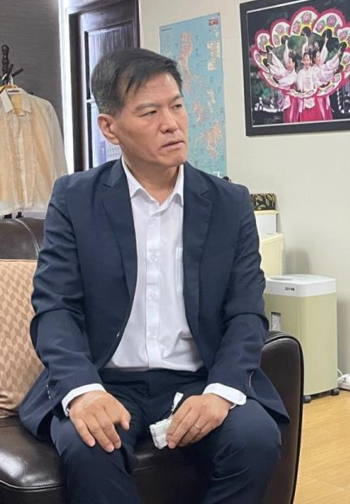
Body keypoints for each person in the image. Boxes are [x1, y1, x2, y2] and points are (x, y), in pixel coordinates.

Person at [20, 48, 287, 504]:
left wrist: (221, 391)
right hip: (105, 378)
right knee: (89, 447)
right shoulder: (75, 199)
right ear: (110, 128)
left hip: (197, 379)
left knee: (256, 440)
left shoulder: (229, 203)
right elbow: (55, 309)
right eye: (150, 112)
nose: (172, 124)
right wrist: (84, 391)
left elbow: (246, 313)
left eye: (177, 106)